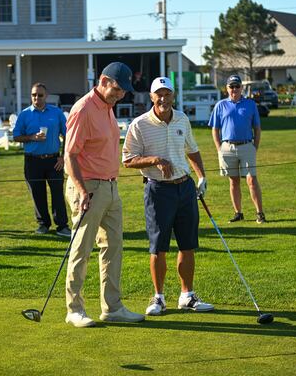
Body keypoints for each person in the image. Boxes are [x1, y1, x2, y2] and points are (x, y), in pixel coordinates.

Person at [122, 76, 213, 316]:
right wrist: (154, 160)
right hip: (158, 190)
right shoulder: (140, 124)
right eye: (158, 94)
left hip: (185, 188)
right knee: (158, 247)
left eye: (167, 94)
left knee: (188, 244)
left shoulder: (182, 118)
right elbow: (128, 160)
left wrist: (201, 176)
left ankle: (187, 295)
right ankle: (159, 297)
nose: (163, 99)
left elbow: (192, 150)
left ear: (173, 96)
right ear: (151, 97)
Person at [63, 62, 145, 327]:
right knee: (82, 249)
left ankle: (112, 307)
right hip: (88, 187)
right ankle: (74, 309)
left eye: (123, 91)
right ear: (103, 80)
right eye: (117, 89)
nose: (120, 95)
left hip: (110, 187)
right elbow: (70, 155)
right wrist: (82, 190)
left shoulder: (108, 109)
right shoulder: (84, 109)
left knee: (113, 248)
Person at [13, 83, 71, 237]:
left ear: (46, 96)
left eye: (40, 95)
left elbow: (67, 135)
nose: (36, 98)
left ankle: (62, 226)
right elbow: (16, 136)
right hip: (33, 161)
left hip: (54, 160)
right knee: (37, 194)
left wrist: (63, 157)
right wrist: (31, 137)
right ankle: (43, 224)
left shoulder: (56, 113)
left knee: (57, 193)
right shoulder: (25, 114)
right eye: (34, 95)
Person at [208, 75, 266, 224]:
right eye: (231, 86)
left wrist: (255, 147)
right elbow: (215, 129)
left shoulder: (250, 104)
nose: (234, 89)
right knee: (233, 181)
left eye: (237, 86)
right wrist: (219, 148)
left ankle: (260, 213)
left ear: (241, 88)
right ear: (226, 88)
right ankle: (238, 213)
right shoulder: (220, 105)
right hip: (227, 147)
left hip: (247, 145)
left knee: (252, 180)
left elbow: (257, 128)